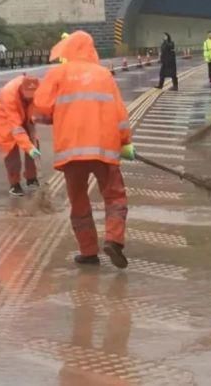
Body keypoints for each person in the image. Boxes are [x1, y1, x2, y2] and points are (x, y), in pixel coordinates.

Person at [34, 30, 135, 269]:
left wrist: (53, 116)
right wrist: (125, 141)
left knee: (78, 200)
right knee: (114, 196)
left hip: (72, 151)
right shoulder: (104, 74)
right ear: (91, 50)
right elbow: (120, 113)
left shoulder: (57, 73)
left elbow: (41, 107)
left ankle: (88, 252)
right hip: (104, 148)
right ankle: (114, 239)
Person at [0, 75, 41, 196]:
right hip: (3, 119)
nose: (29, 98)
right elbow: (16, 129)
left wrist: (32, 122)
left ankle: (31, 178)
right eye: (27, 96)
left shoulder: (38, 88)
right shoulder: (9, 96)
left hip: (23, 113)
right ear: (21, 90)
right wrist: (29, 148)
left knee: (33, 143)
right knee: (11, 151)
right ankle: (14, 184)